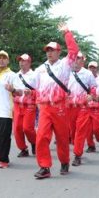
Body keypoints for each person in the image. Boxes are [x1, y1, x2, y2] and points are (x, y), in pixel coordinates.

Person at [34, 23, 79, 179]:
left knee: (61, 138)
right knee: (41, 137)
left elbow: (74, 50)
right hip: (45, 107)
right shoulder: (40, 69)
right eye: (47, 50)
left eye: (52, 50)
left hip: (60, 107)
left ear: (59, 52)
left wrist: (67, 32)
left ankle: (65, 161)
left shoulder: (65, 65)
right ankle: (45, 167)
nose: (49, 53)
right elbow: (34, 87)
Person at [67, 53, 97, 166]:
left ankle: (77, 155)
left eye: (79, 58)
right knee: (73, 130)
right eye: (75, 58)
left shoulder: (88, 73)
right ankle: (77, 149)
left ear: (82, 61)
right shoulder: (67, 72)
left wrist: (91, 95)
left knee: (80, 130)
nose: (76, 60)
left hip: (83, 106)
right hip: (70, 106)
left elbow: (93, 88)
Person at [12, 54, 37, 157]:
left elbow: (39, 90)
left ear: (29, 63)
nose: (21, 62)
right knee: (17, 128)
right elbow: (13, 90)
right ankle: (23, 149)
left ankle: (35, 142)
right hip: (18, 105)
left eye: (24, 61)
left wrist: (31, 92)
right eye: (20, 61)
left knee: (27, 128)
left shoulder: (35, 75)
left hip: (29, 105)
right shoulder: (15, 75)